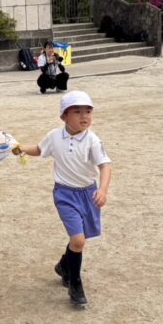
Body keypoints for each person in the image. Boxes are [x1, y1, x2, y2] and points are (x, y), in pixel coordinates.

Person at [14, 91, 112, 307]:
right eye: (77, 112)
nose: (84, 116)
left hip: (88, 193)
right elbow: (39, 149)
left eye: (88, 111)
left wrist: (103, 190)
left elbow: (105, 166)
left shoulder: (93, 140)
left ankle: (64, 266)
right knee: (78, 240)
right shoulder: (54, 136)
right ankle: (75, 284)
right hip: (65, 194)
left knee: (81, 238)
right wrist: (21, 148)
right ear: (64, 116)